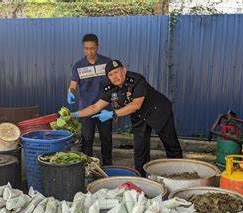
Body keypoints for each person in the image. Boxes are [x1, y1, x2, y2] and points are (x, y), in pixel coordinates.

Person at [72, 60, 183, 176]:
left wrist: (113, 114)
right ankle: (141, 177)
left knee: (171, 144)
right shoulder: (110, 89)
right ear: (108, 78)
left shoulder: (136, 80)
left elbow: (136, 105)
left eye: (116, 72)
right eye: (110, 75)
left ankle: (179, 173)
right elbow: (95, 107)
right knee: (140, 149)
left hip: (158, 111)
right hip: (139, 116)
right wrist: (74, 114)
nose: (114, 77)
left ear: (124, 71)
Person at [67, 34, 113, 165]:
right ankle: (88, 166)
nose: (89, 51)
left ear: (97, 47)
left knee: (106, 139)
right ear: (83, 48)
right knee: (87, 140)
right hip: (86, 110)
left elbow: (115, 81)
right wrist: (70, 92)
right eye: (86, 48)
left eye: (92, 48)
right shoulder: (78, 66)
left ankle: (108, 165)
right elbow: (73, 85)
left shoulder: (107, 63)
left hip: (104, 109)